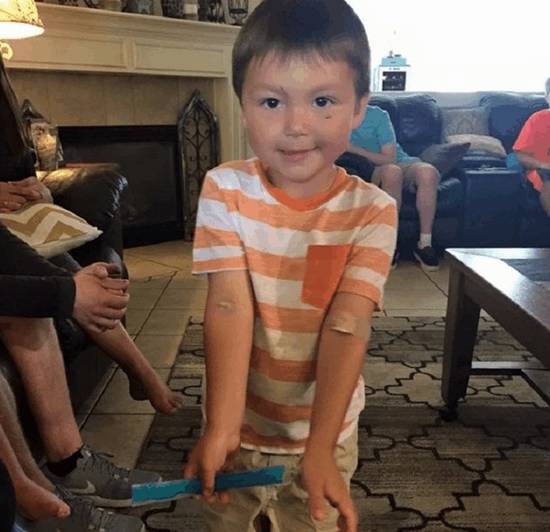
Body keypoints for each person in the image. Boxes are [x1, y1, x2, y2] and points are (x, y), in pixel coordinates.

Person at [183, 1, 398, 531]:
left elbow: (348, 325)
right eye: (272, 101)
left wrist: (321, 447)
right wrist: (222, 428)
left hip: (322, 431)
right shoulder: (223, 190)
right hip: (238, 423)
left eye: (323, 101)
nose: (297, 126)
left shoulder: (374, 211)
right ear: (242, 104)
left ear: (359, 108)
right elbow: (228, 305)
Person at [349, 105, 441, 271]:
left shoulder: (378, 115)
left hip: (400, 161)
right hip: (372, 169)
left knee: (428, 172)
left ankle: (425, 244)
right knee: (392, 173)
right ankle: (390, 245)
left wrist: (353, 149)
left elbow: (390, 157)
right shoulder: (331, 116)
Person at [512, 77, 550, 217]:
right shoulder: (537, 119)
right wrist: (543, 165)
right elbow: (520, 155)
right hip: (544, 171)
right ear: (547, 97)